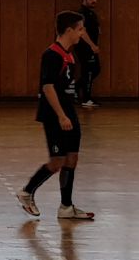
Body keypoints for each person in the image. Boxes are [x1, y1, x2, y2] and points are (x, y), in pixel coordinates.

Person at [17, 11, 95, 221]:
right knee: (57, 161)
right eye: (80, 29)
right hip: (54, 114)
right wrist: (61, 115)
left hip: (69, 111)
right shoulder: (51, 54)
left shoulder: (69, 54)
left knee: (72, 157)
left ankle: (66, 207)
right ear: (69, 30)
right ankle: (27, 192)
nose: (82, 33)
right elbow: (47, 86)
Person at [76, 0, 102, 107]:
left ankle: (78, 87)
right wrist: (92, 45)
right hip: (84, 47)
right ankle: (86, 99)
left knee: (95, 69)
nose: (94, 1)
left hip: (91, 47)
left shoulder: (92, 13)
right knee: (89, 71)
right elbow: (82, 32)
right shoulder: (81, 14)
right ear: (84, 0)